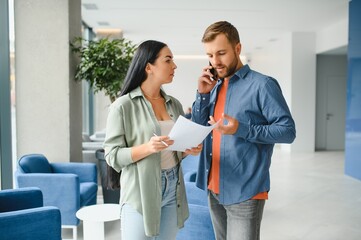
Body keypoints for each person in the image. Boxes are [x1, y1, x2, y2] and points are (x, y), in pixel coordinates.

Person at [192, 21, 296, 240]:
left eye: (221, 53)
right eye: (210, 55)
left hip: (245, 189)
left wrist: (242, 129)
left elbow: (287, 131)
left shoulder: (263, 85)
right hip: (213, 187)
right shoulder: (213, 85)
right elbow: (199, 129)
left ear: (237, 49)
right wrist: (202, 94)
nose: (215, 62)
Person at [103, 40, 202, 240]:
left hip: (173, 187)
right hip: (139, 191)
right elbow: (112, 156)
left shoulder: (174, 104)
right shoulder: (123, 106)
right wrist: (148, 148)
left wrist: (186, 150)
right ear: (149, 67)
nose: (174, 66)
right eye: (168, 60)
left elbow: (172, 149)